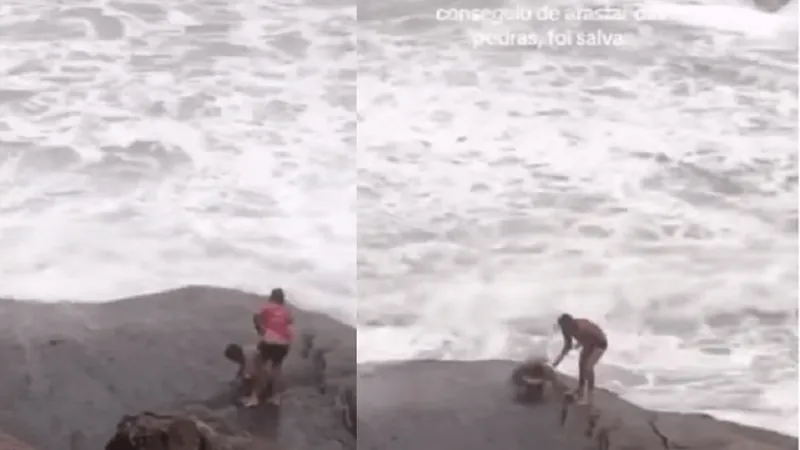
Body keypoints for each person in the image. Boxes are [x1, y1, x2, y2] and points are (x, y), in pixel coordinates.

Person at [247, 287, 294, 406]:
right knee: (276, 368)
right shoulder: (285, 311)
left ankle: (254, 397)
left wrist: (260, 330)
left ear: (271, 297)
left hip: (269, 340)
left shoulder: (267, 306)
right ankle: (276, 397)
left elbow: (256, 317)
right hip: (284, 344)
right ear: (282, 299)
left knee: (259, 365)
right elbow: (289, 322)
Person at [551, 313, 608, 407]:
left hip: (600, 343)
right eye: (562, 327)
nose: (564, 330)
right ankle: (581, 390)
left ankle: (589, 397)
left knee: (588, 367)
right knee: (581, 363)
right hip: (587, 340)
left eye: (566, 327)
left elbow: (590, 344)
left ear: (571, 324)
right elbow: (567, 346)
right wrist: (556, 362)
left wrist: (580, 343)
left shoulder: (582, 329)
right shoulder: (565, 329)